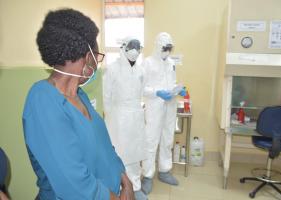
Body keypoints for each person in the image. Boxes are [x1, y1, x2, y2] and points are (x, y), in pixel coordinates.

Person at [22, 9, 134, 200]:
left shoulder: (79, 95)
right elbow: (73, 184)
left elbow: (104, 148)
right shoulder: (42, 100)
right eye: (97, 56)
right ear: (87, 55)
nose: (97, 64)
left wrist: (125, 180)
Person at [103, 37, 148, 200]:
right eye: (131, 46)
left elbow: (142, 92)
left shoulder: (141, 70)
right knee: (121, 153)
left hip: (136, 115)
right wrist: (110, 119)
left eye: (138, 47)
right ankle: (120, 187)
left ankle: (135, 187)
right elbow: (106, 96)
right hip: (118, 118)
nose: (135, 50)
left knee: (135, 153)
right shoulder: (112, 69)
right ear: (123, 48)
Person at [141, 32, 186, 194]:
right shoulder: (147, 62)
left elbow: (172, 82)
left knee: (168, 139)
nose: (167, 51)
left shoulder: (171, 63)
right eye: (165, 48)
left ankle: (164, 171)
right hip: (154, 106)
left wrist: (179, 89)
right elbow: (142, 88)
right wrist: (157, 92)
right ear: (158, 46)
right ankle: (147, 176)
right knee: (151, 141)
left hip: (170, 105)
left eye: (169, 48)